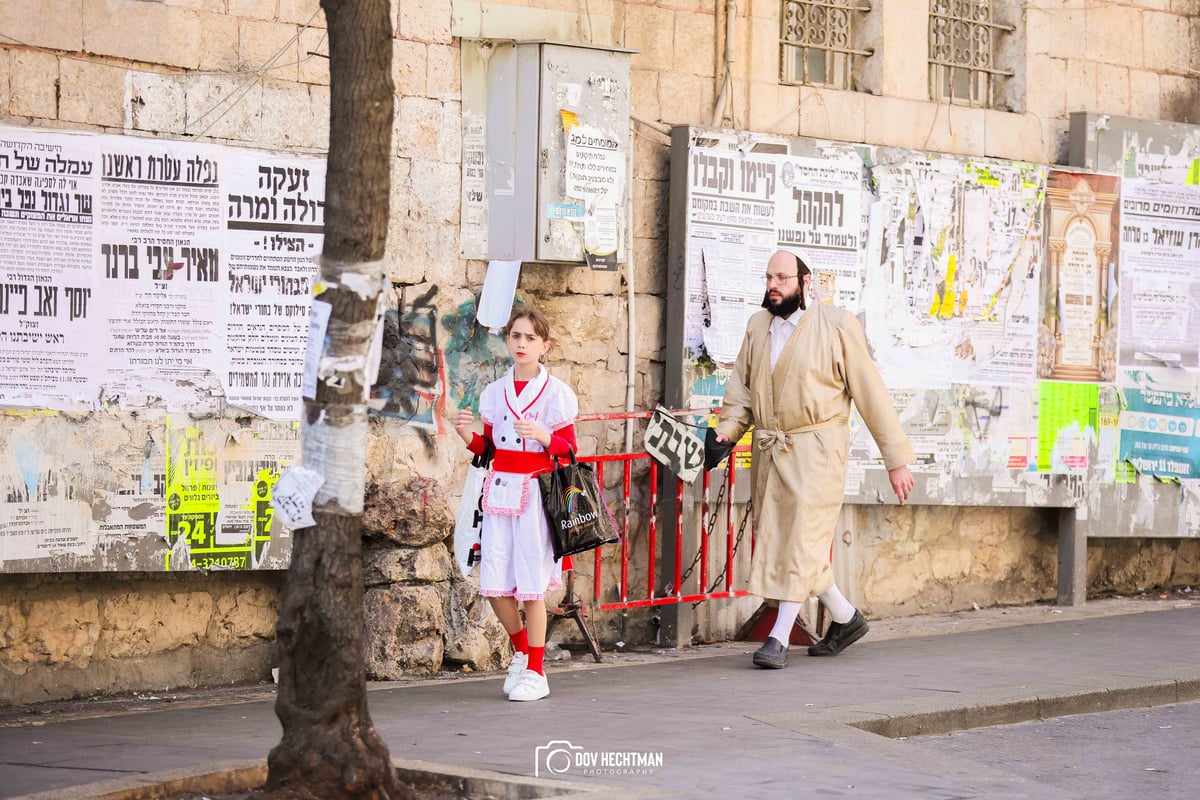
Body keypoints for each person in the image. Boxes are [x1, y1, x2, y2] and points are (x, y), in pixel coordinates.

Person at [714, 250, 915, 669]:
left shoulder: (837, 324)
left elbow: (870, 392)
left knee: (801, 536)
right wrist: (726, 433)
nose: (774, 284)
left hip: (819, 449)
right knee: (791, 538)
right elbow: (741, 392)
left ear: (805, 283)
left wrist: (895, 458)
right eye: (770, 277)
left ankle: (778, 637)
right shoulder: (758, 327)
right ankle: (845, 618)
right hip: (773, 448)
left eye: (783, 277)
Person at [454, 308, 579, 701]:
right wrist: (467, 436)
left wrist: (544, 436)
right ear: (507, 341)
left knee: (530, 588)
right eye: (515, 336)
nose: (521, 344)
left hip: (536, 498)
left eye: (529, 338)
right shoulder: (494, 394)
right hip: (499, 493)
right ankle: (523, 651)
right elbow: (490, 449)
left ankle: (537, 672)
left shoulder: (557, 395)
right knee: (494, 585)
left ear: (545, 346)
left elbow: (570, 450)